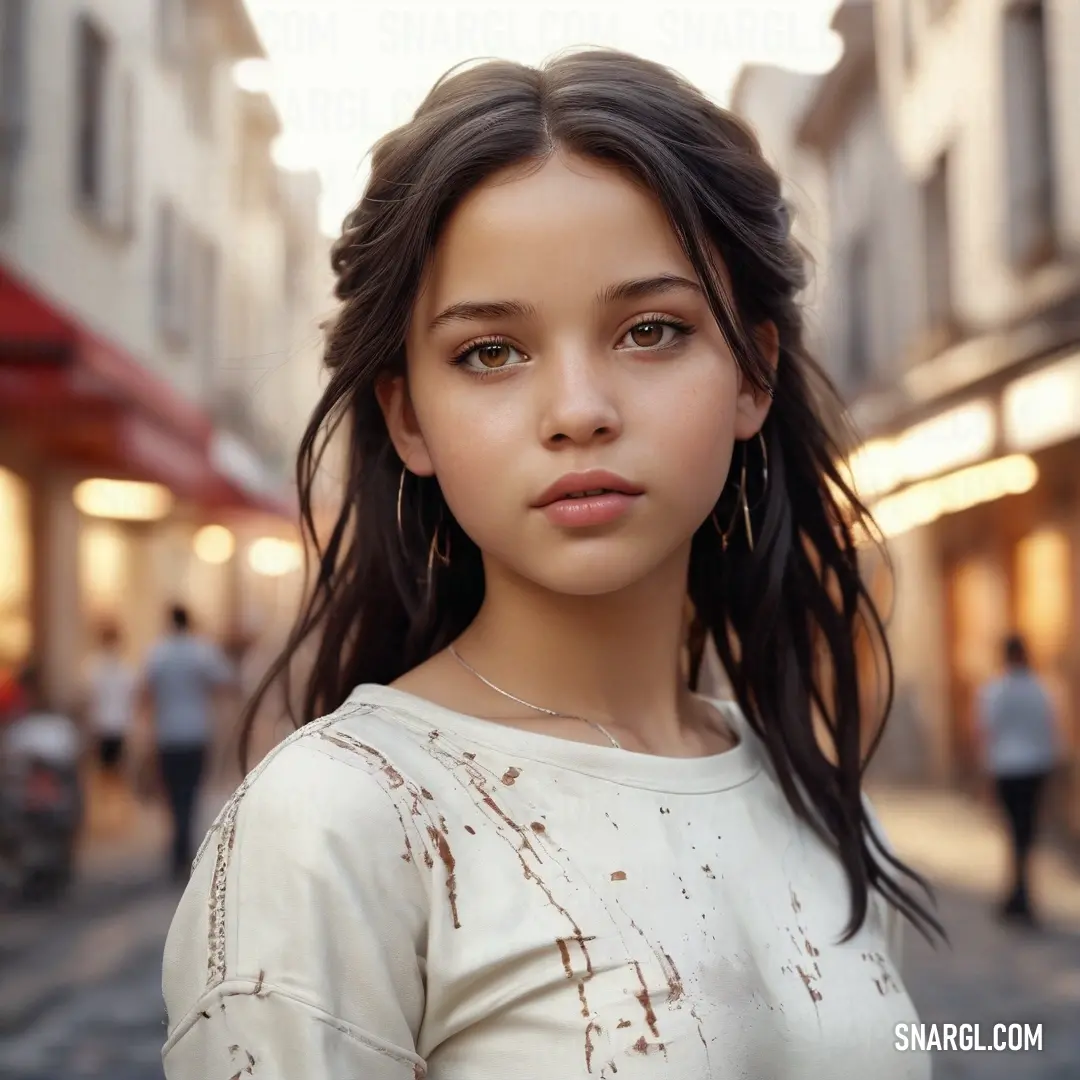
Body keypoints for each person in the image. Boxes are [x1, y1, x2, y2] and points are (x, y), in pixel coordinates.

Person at [161, 50, 940, 1079]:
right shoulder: (339, 823)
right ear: (407, 417)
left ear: (753, 375)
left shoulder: (816, 801)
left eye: (651, 331)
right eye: (491, 351)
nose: (578, 410)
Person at [141, 604, 234, 882]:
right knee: (190, 794)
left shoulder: (159, 652)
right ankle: (184, 845)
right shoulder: (201, 651)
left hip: (167, 734)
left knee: (173, 795)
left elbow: (145, 692)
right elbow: (225, 682)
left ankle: (178, 847)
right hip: (195, 732)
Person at [976, 633, 1063, 926]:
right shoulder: (1040, 690)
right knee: (1025, 832)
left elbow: (987, 732)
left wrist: (986, 774)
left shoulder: (995, 691)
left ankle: (1018, 893)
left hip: (1006, 767)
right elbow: (1050, 730)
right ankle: (1019, 893)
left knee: (1016, 832)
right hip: (1034, 767)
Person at [83, 623, 138, 801]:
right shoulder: (120, 669)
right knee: (111, 772)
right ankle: (111, 806)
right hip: (113, 724)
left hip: (108, 724)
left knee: (109, 772)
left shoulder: (96, 668)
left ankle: (111, 806)